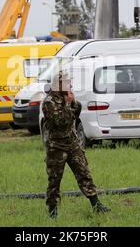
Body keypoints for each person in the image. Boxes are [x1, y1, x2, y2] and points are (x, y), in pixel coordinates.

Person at [42, 70, 110, 219]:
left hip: (72, 143)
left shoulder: (67, 97)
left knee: (84, 172)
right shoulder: (49, 102)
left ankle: (96, 204)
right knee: (54, 180)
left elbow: (77, 111)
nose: (70, 84)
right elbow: (61, 122)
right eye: (67, 82)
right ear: (59, 85)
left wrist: (72, 102)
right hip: (57, 146)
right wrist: (68, 105)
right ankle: (53, 212)